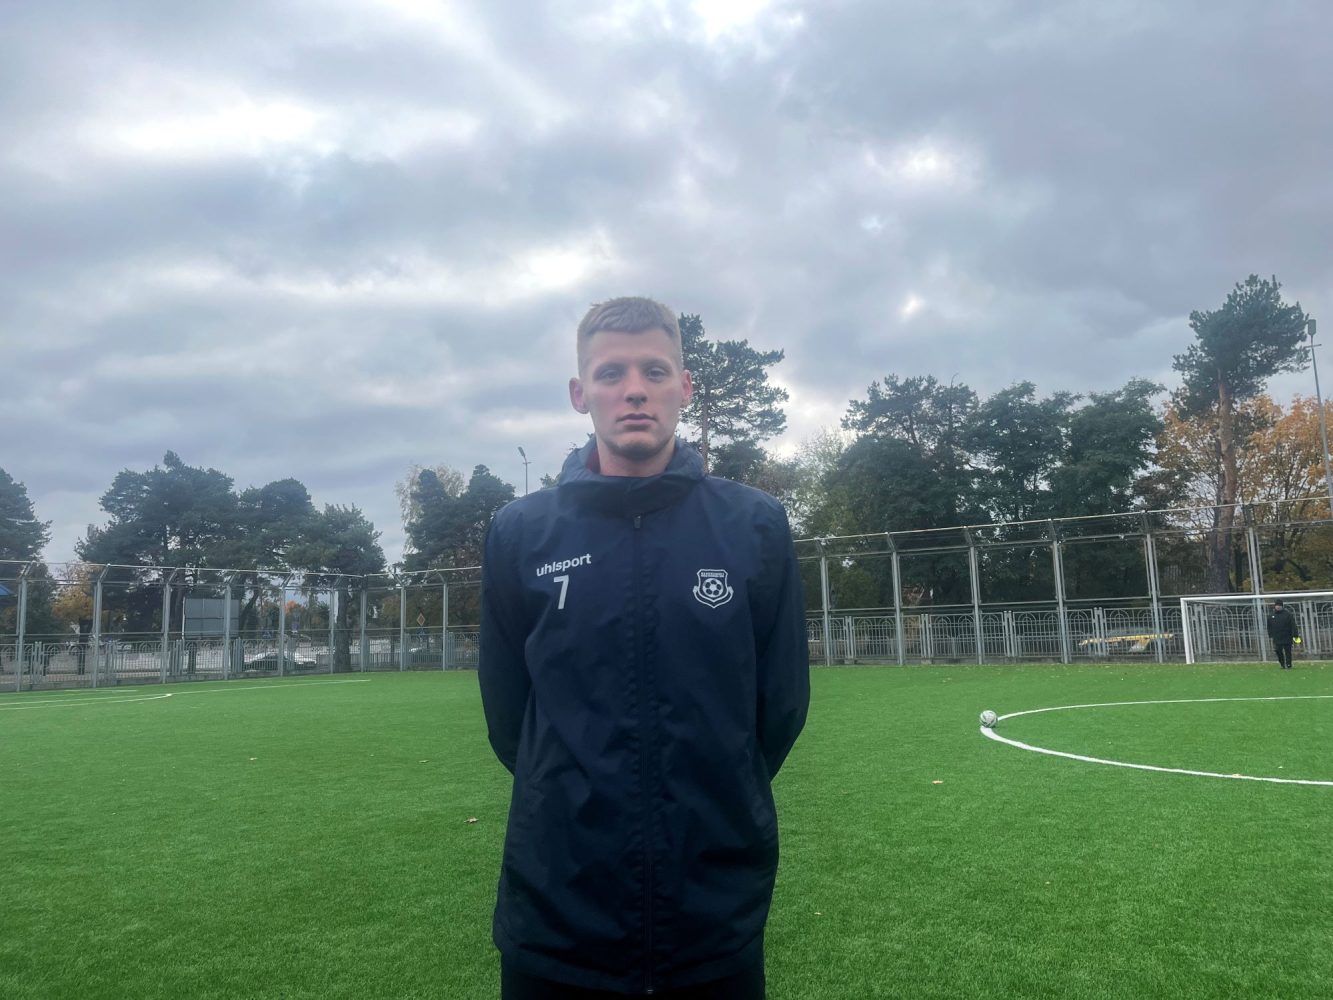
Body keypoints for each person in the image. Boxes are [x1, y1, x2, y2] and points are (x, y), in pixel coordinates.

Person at [479, 296, 810, 999]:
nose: (634, 389)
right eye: (611, 373)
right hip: (557, 908)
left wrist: (714, 793)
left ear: (683, 387)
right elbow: (508, 717)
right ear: (580, 394)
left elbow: (778, 707)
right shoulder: (521, 532)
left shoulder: (753, 524)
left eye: (654, 371)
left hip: (712, 911)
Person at [1266, 599, 1300, 669]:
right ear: (1275, 606)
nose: (1278, 607)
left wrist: (1295, 634)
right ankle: (1282, 663)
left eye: (1279, 605)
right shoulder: (1271, 616)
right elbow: (1269, 626)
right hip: (1277, 637)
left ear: (1282, 606)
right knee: (1278, 650)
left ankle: (1288, 664)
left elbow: (1293, 625)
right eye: (1277, 605)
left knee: (1288, 651)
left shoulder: (1288, 615)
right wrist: (1270, 634)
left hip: (1287, 636)